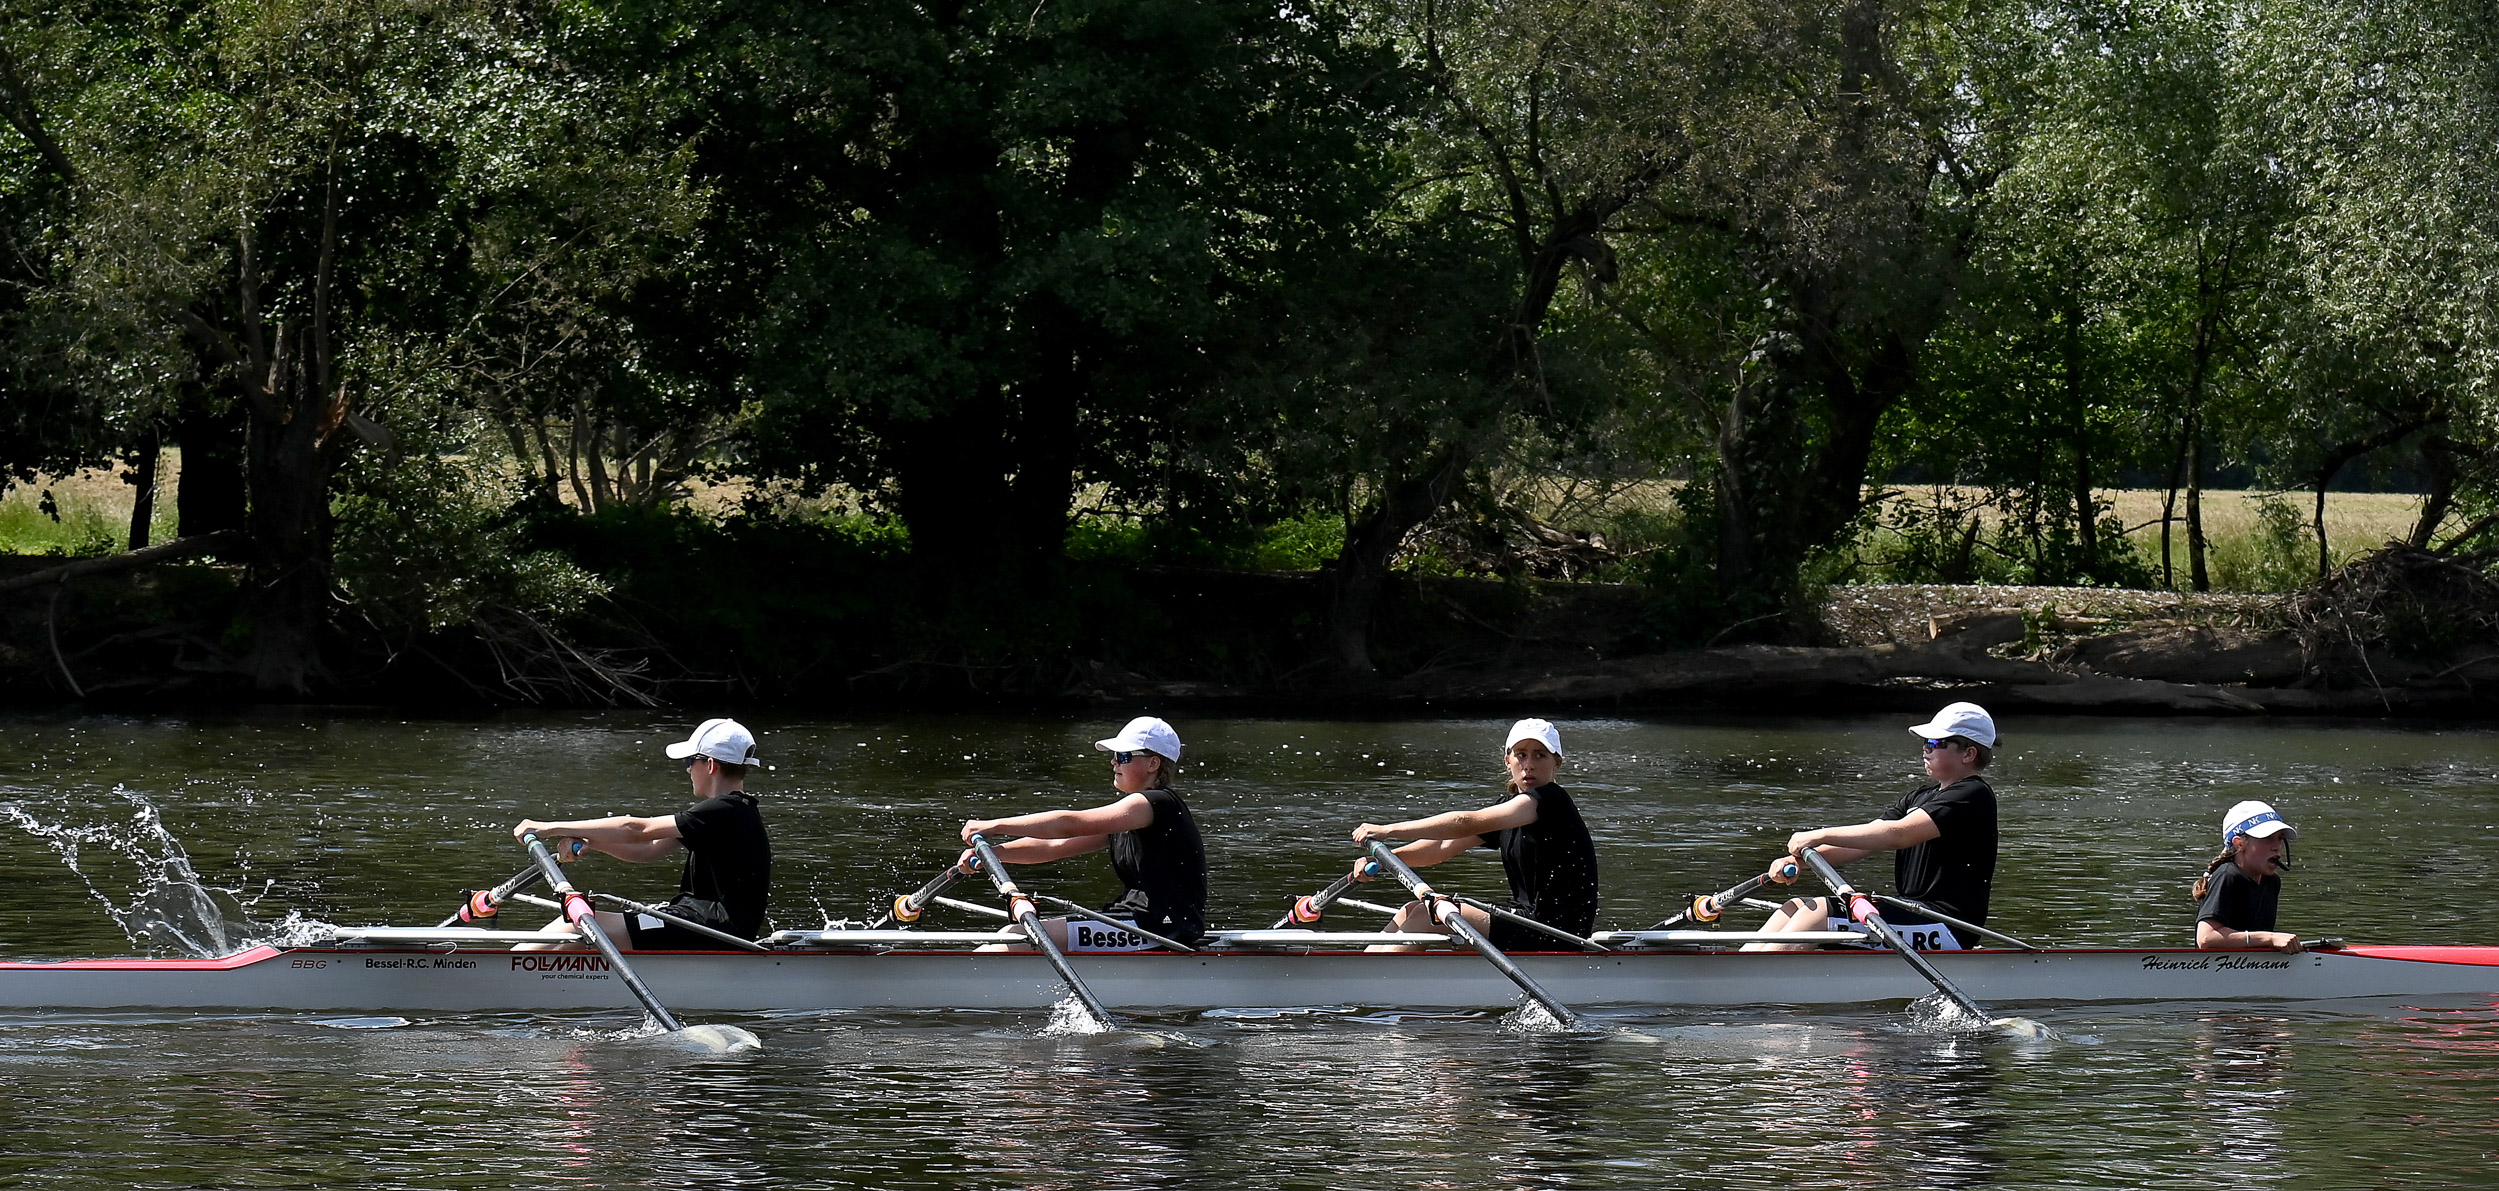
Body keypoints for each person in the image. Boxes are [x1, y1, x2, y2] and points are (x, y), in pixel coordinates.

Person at [1744, 702, 1999, 952]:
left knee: (1821, 912)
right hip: (1913, 914)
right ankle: (1739, 967)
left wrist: (1819, 834)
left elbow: (1897, 835)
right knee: (1796, 906)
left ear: (1968, 754)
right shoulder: (1919, 797)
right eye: (1925, 742)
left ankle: (1749, 983)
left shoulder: (1973, 794)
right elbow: (1861, 842)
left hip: (1948, 926)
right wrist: (1797, 861)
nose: (1925, 749)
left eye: (1936, 743)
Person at [510, 717, 773, 951]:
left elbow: (637, 830)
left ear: (711, 765)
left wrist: (550, 827)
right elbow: (647, 850)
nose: (687, 770)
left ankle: (506, 969)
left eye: (690, 761)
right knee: (579, 931)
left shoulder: (725, 810)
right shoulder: (725, 813)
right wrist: (591, 843)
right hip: (700, 922)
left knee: (579, 924)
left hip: (713, 929)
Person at [956, 716, 1207, 951]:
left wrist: (995, 825)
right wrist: (991, 855)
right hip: (1137, 919)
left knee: (1013, 939)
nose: (1114, 762)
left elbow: (1068, 824)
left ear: (1153, 763)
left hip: (1162, 927)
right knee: (1013, 935)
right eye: (1115, 756)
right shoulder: (1128, 817)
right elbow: (1054, 846)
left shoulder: (1155, 804)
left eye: (1123, 756)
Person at [1350, 718, 1599, 954]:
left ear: (1557, 763)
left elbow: (1464, 822)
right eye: (1521, 755)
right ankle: (1356, 977)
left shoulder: (1550, 801)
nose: (1529, 764)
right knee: (1411, 909)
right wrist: (1385, 861)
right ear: (1507, 761)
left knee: (1429, 914)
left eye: (1540, 755)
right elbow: (1441, 847)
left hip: (1557, 933)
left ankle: (1364, 986)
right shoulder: (1510, 809)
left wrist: (1389, 830)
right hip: (1528, 920)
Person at [2195, 800, 2303, 952]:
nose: (2276, 846)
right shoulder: (2227, 876)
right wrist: (2270, 938)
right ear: (2239, 844)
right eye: (2267, 838)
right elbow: (2206, 938)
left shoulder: (2271, 882)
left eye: (2279, 838)